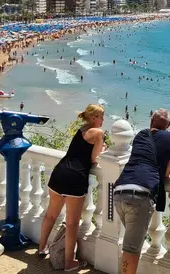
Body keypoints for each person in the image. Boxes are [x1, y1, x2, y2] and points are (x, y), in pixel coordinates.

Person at [38, 104, 106, 271]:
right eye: (101, 117)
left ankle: (41, 247)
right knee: (72, 223)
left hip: (60, 172)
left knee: (50, 215)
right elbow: (94, 159)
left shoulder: (82, 129)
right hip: (76, 177)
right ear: (94, 118)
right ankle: (69, 262)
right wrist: (103, 149)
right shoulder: (99, 133)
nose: (103, 120)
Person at [113, 109, 170, 274]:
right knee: (131, 249)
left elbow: (145, 158)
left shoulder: (141, 135)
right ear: (168, 125)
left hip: (120, 191)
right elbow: (166, 173)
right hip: (139, 196)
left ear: (151, 121)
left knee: (131, 244)